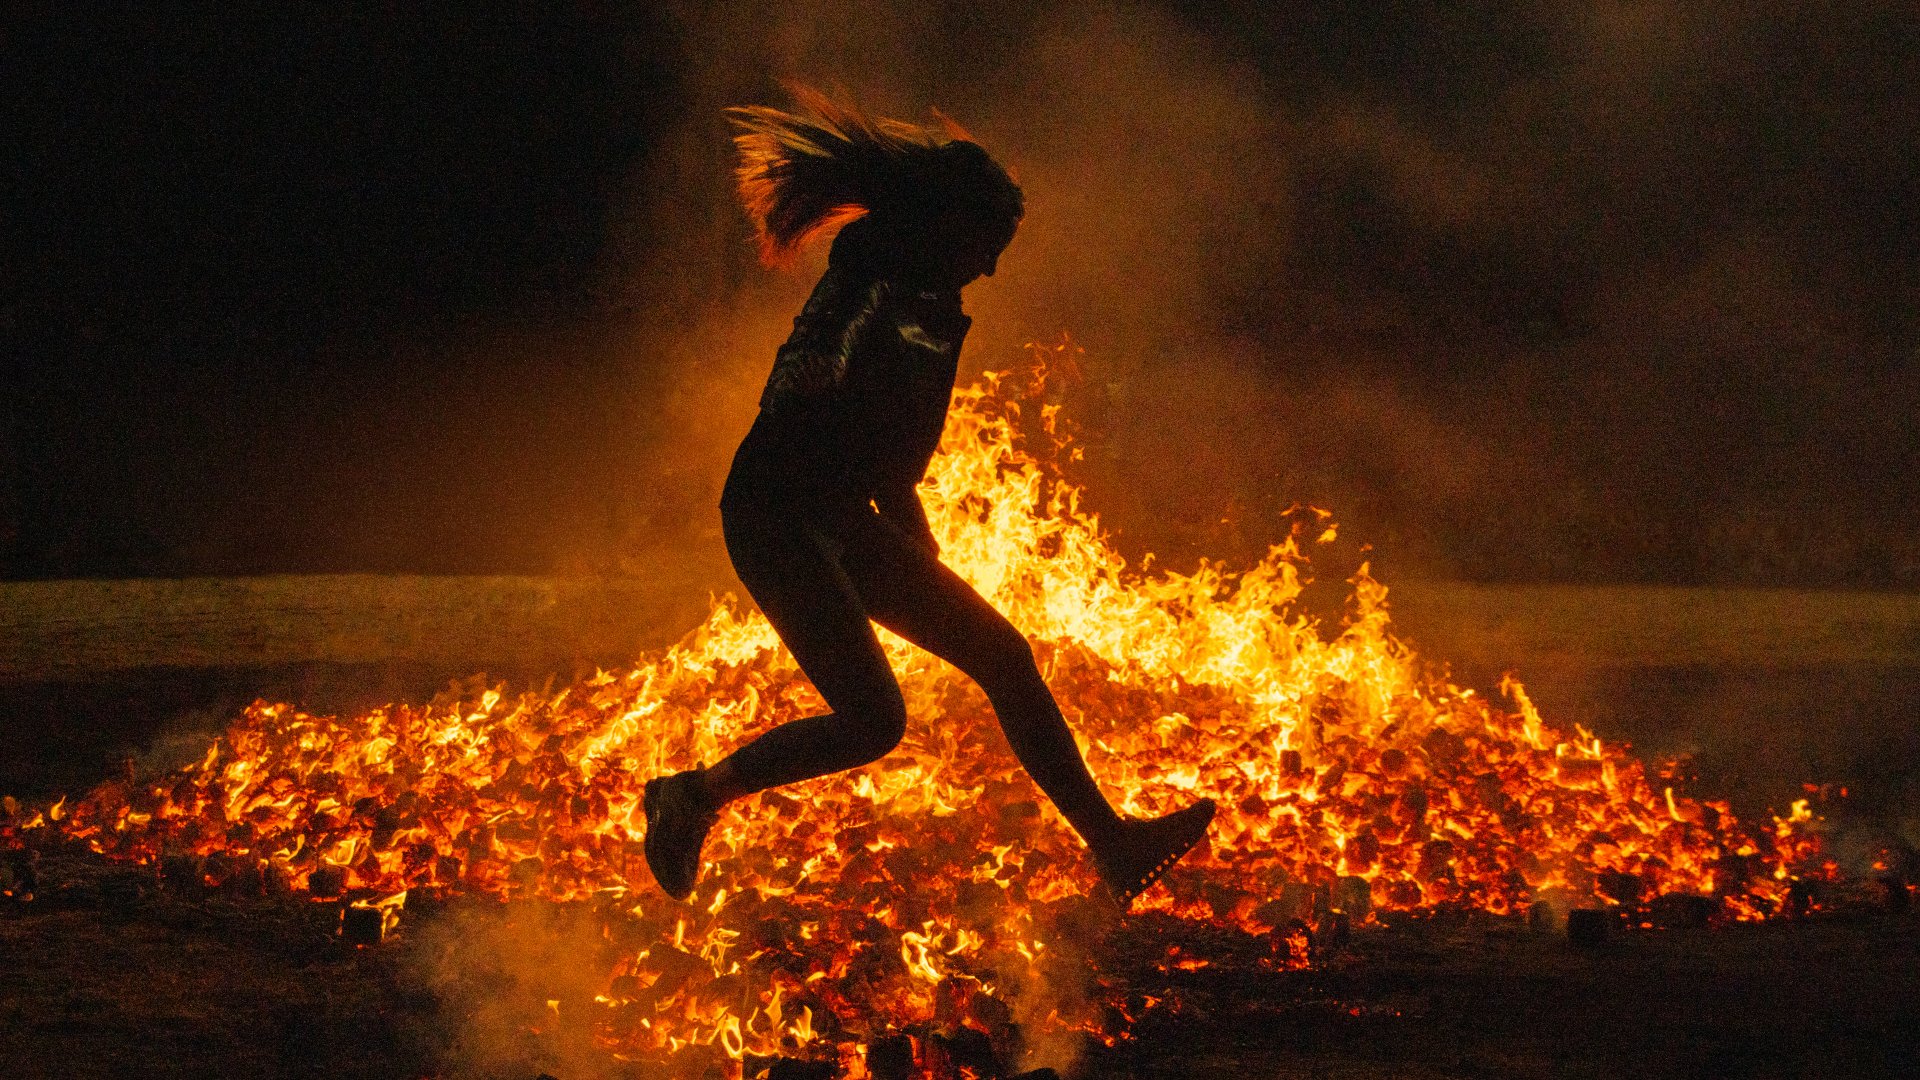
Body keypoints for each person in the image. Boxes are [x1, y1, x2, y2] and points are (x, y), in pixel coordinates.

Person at [642, 88, 1214, 908]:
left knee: (1003, 656)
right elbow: (816, 407)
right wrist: (882, 518)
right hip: (779, 516)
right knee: (873, 721)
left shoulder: (925, 303)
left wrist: (911, 537)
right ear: (947, 226)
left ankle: (1115, 847)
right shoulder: (871, 289)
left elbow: (892, 458)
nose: (992, 265)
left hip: (840, 516)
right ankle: (690, 796)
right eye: (990, 242)